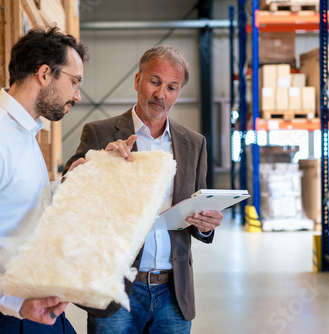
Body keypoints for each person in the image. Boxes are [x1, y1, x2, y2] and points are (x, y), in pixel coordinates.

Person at [63, 45, 224, 334]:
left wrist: (206, 225)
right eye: (155, 82)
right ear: (138, 81)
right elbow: (67, 193)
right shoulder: (100, 133)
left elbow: (198, 205)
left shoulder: (193, 143)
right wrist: (98, 163)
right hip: (117, 291)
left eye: (172, 87)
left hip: (173, 293)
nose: (161, 94)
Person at [0, 26, 90, 333]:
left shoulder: (23, 132)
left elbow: (19, 206)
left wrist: (66, 185)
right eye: (74, 82)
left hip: (36, 305)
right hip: (9, 316)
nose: (77, 95)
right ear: (45, 74)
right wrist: (17, 303)